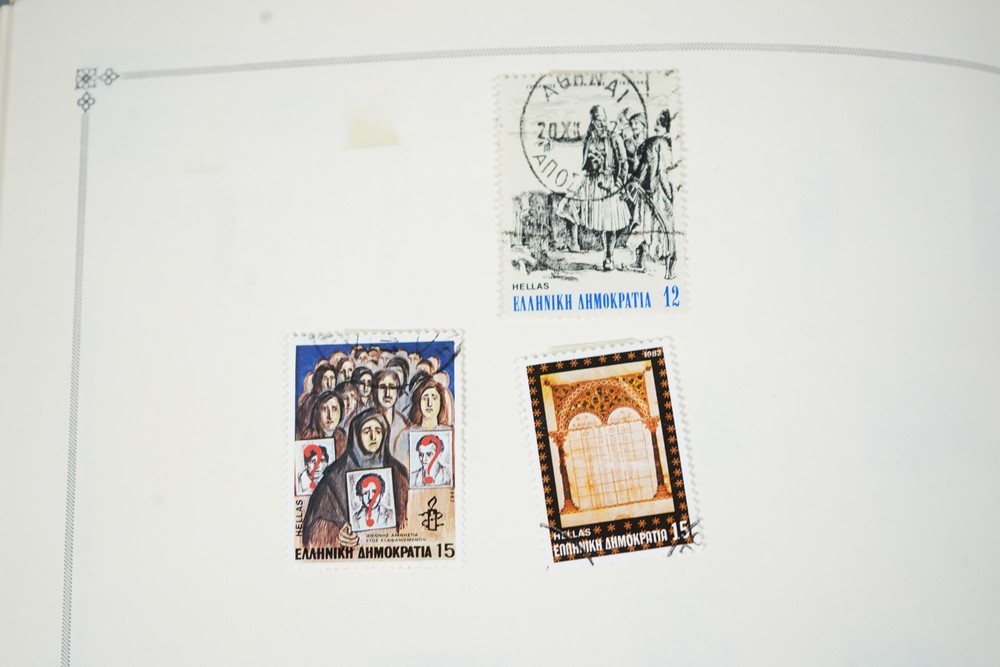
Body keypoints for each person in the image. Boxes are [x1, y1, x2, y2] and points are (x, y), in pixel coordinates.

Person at [302, 408, 408, 548]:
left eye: (378, 431)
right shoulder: (334, 477)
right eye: (366, 431)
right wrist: (335, 535)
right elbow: (312, 528)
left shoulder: (398, 473)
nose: (373, 437)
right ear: (356, 435)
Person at [557, 105, 630, 271]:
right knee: (573, 207)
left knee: (610, 223)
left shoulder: (614, 138)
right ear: (592, 121)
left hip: (610, 184)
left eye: (604, 120)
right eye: (598, 120)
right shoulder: (589, 139)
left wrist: (619, 184)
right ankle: (573, 243)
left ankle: (609, 258)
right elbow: (583, 159)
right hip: (592, 183)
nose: (602, 123)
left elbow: (624, 164)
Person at [626, 109, 676, 275]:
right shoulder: (659, 142)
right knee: (653, 226)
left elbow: (655, 170)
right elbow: (652, 170)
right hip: (653, 191)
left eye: (658, 125)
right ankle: (663, 267)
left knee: (649, 225)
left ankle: (665, 266)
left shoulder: (656, 142)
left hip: (654, 192)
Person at [373, 369, 410, 470]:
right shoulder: (366, 422)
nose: (387, 393)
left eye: (392, 387)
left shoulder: (404, 424)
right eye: (382, 387)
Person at [299, 390, 347, 457]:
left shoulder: (342, 437)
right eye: (324, 409)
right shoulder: (309, 437)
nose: (330, 416)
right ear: (317, 413)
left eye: (334, 409)